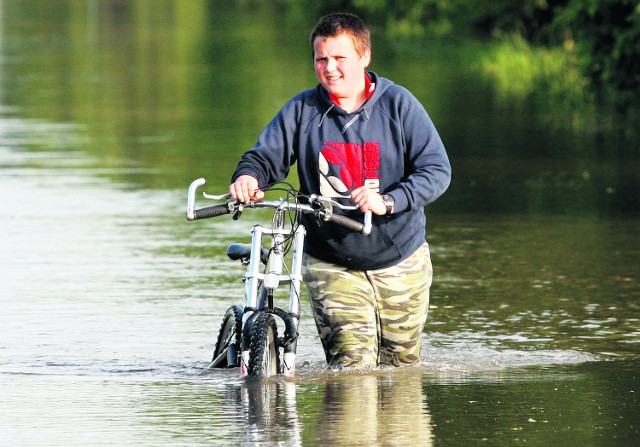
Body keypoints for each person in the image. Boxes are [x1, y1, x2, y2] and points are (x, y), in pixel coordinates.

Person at [229, 12, 451, 368]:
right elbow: (265, 156)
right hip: (331, 260)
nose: (329, 68)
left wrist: (390, 201)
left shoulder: (400, 105)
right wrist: (249, 177)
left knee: (400, 367)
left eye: (339, 58)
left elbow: (437, 170)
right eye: (321, 59)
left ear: (364, 57)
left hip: (400, 258)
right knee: (352, 368)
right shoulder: (301, 110)